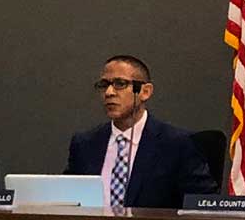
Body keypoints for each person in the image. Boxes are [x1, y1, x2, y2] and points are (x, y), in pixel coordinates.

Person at [64, 55, 217, 210]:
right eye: (104, 85)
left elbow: (204, 205)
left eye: (120, 84)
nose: (109, 92)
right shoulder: (85, 144)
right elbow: (66, 200)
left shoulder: (177, 144)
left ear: (145, 91)